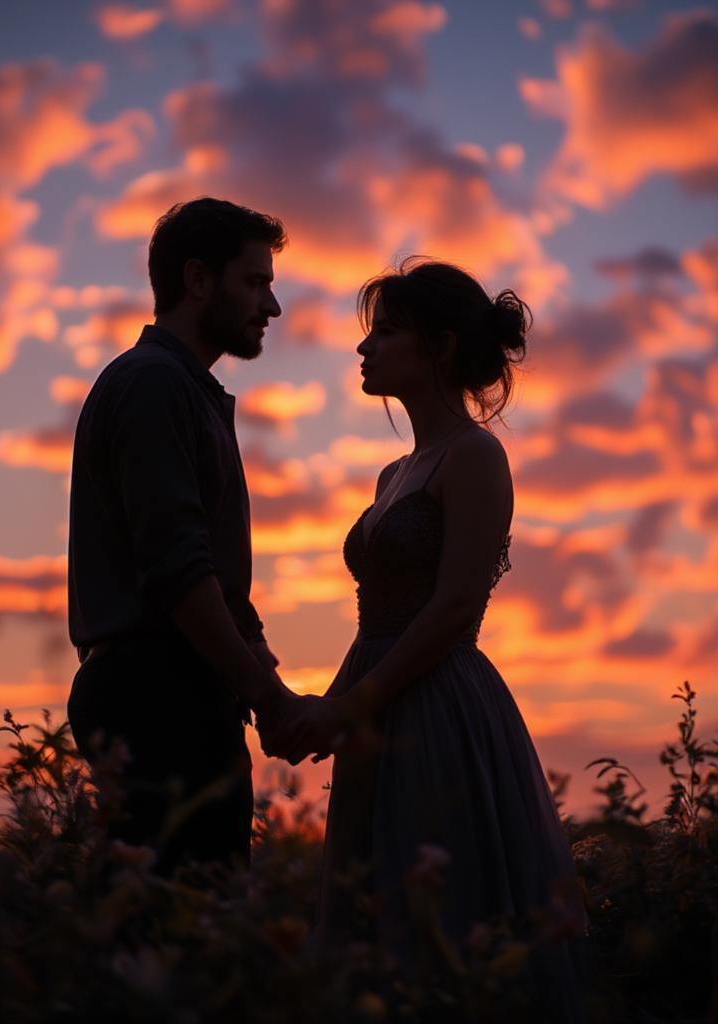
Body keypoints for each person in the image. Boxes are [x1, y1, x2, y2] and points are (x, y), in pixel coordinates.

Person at [264, 257, 590, 1019]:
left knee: (437, 917)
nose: (364, 348)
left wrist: (351, 706)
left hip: (438, 709)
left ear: (438, 348)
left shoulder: (476, 455)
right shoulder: (393, 474)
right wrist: (327, 708)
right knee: (365, 912)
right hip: (378, 710)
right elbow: (373, 618)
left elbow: (451, 611)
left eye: (385, 332)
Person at [66, 197, 306, 883]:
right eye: (255, 282)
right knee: (178, 943)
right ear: (198, 279)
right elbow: (179, 573)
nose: (273, 305)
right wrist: (272, 699)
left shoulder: (185, 391)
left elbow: (219, 584)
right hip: (154, 697)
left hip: (181, 694)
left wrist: (265, 685)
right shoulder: (154, 387)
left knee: (193, 935)